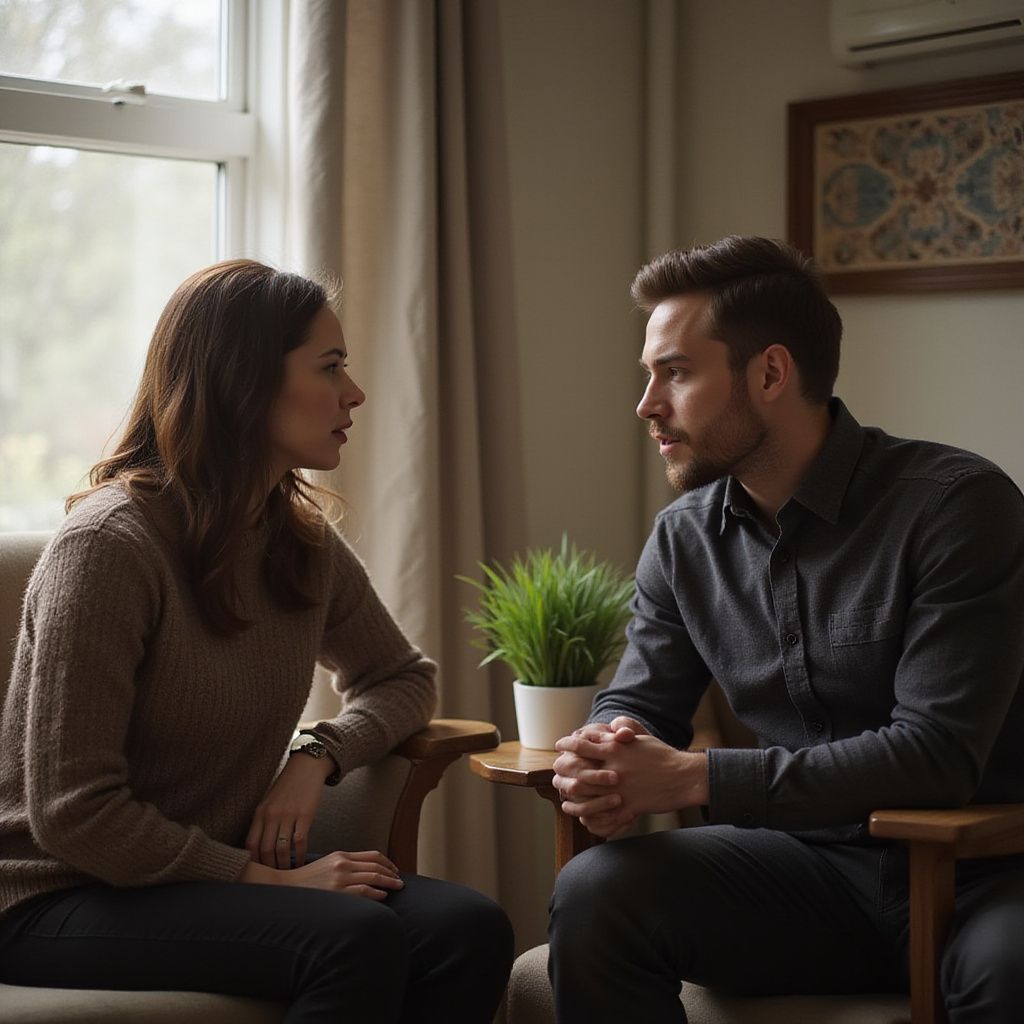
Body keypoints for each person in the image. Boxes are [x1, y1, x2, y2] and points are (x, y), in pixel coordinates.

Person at [0, 259, 513, 1022]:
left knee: (469, 930)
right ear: (244, 382)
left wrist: (318, 754)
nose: (355, 393)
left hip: (201, 879)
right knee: (353, 939)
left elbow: (404, 678)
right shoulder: (109, 546)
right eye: (330, 366)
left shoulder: (295, 540)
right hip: (57, 895)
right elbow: (75, 813)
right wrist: (263, 879)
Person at [548, 236, 1024, 1023]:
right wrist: (608, 751)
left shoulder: (956, 505)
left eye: (675, 372)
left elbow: (937, 755)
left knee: (1011, 976)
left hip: (981, 869)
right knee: (599, 891)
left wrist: (699, 779)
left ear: (770, 373)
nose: (647, 405)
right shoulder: (684, 538)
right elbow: (639, 699)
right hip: (804, 873)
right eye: (649, 375)